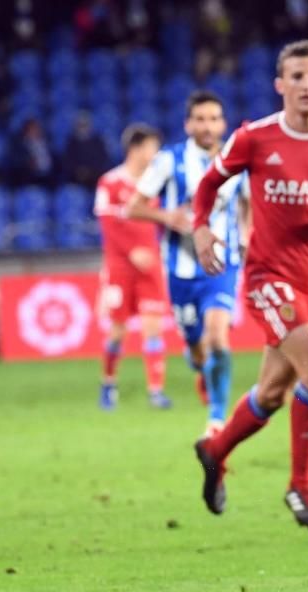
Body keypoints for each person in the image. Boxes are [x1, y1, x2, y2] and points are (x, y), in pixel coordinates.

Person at [190, 40, 308, 529]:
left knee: (273, 392)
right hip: (267, 278)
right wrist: (201, 226)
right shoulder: (255, 137)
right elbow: (209, 183)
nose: (304, 85)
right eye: (294, 77)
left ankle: (215, 450)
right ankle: (301, 487)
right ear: (280, 85)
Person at [127, 90, 250, 439]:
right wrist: (167, 216)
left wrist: (247, 234)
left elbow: (248, 204)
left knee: (218, 337)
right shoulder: (170, 160)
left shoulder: (238, 159)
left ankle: (216, 418)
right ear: (188, 124)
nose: (208, 126)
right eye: (200, 119)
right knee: (198, 350)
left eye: (214, 118)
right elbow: (133, 207)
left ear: (223, 123)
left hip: (222, 267)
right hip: (180, 271)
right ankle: (200, 367)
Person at [94, 123, 171, 411]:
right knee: (117, 331)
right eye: (152, 147)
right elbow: (107, 224)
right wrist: (131, 252)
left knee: (153, 327)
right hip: (119, 268)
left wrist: (156, 249)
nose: (155, 154)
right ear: (135, 149)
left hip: (150, 266)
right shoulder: (110, 182)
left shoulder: (154, 183)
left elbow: (162, 220)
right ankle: (108, 384)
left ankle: (156, 391)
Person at [62, 111, 110, 189]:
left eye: (85, 125)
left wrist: (90, 172)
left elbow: (101, 159)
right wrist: (79, 171)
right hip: (75, 177)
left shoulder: (97, 142)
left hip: (94, 175)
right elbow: (68, 161)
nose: (83, 127)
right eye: (80, 125)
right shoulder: (71, 143)